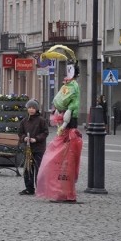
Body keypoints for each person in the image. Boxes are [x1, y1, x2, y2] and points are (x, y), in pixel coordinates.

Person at [35, 55, 83, 202]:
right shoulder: (68, 86)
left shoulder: (73, 87)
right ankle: (60, 190)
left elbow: (70, 107)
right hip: (65, 131)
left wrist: (63, 125)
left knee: (64, 162)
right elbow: (59, 102)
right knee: (59, 162)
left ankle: (66, 192)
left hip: (69, 132)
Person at [16, 99, 48, 196]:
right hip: (28, 149)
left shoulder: (41, 120)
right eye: (29, 108)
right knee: (28, 169)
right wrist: (24, 138)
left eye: (33, 108)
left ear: (36, 109)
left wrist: (36, 139)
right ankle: (29, 188)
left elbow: (45, 132)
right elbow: (20, 133)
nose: (31, 110)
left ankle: (40, 188)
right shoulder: (24, 121)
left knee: (39, 169)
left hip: (38, 148)